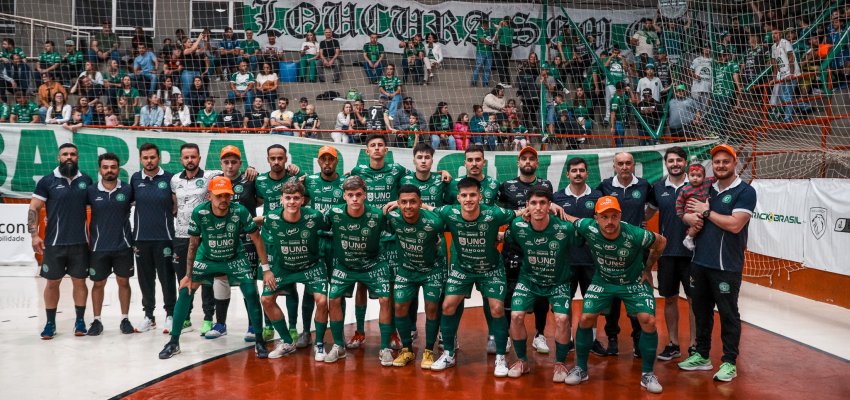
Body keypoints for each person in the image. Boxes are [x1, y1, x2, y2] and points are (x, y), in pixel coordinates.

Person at [158, 176, 271, 359]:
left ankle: (259, 340)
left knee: (251, 292)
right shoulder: (199, 212)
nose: (224, 200)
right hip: (207, 257)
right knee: (186, 291)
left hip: (234, 256)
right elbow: (193, 245)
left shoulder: (240, 211)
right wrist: (188, 275)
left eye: (227, 195)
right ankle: (173, 342)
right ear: (209, 196)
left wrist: (266, 269)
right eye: (219, 196)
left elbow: (257, 239)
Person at [564, 196, 667, 394]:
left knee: (649, 320)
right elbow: (570, 218)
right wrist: (553, 207)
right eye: (604, 217)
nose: (609, 222)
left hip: (633, 282)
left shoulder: (636, 234)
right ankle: (581, 369)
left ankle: (648, 374)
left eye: (614, 216)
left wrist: (648, 269)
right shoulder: (588, 227)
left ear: (620, 216)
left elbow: (661, 242)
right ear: (596, 218)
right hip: (603, 281)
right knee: (585, 318)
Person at [429, 177, 526, 375]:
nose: (468, 199)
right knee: (447, 306)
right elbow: (428, 209)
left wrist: (548, 208)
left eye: (473, 195)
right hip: (463, 268)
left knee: (497, 308)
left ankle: (500, 357)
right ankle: (448, 354)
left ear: (480, 196)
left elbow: (518, 213)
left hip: (490, 268)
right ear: (458, 197)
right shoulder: (450, 211)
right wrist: (399, 202)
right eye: (464, 195)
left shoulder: (494, 213)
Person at [678, 144, 756, 382]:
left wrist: (705, 212)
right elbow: (687, 210)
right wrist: (688, 216)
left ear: (734, 164)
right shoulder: (705, 188)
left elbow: (735, 224)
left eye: (726, 161)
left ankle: (729, 362)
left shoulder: (745, 191)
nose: (721, 165)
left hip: (726, 267)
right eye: (717, 162)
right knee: (701, 312)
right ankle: (702, 355)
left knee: (728, 314)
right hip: (700, 261)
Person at [505, 185, 581, 380]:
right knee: (516, 316)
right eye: (533, 203)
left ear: (550, 205)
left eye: (542, 203)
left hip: (559, 282)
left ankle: (560, 364)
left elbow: (587, 239)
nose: (538, 207)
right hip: (529, 280)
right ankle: (522, 361)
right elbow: (504, 239)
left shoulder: (564, 228)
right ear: (527, 206)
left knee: (562, 319)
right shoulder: (517, 226)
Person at [323, 176, 394, 365]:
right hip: (345, 265)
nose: (355, 199)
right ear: (344, 196)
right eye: (350, 195)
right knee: (333, 298)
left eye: (358, 195)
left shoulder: (378, 215)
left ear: (365, 195)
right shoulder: (334, 213)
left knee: (385, 299)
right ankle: (339, 346)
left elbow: (396, 231)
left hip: (373, 264)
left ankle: (385, 347)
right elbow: (317, 227)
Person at [259, 180, 330, 359]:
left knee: (321, 301)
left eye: (296, 198)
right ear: (281, 200)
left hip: (312, 266)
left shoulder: (314, 217)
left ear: (303, 200)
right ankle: (286, 342)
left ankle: (320, 344)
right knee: (266, 299)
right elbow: (260, 241)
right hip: (284, 268)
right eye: (288, 198)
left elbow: (330, 230)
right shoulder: (272, 219)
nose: (292, 202)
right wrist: (267, 269)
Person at [28, 143, 93, 339]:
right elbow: (34, 208)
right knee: (52, 283)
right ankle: (50, 323)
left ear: (78, 157)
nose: (69, 157)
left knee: (80, 282)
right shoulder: (47, 181)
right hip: (54, 244)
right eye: (65, 154)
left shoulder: (86, 181)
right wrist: (33, 234)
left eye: (73, 154)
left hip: (80, 243)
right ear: (59, 157)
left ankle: (80, 321)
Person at [596, 152, 656, 357]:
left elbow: (653, 206)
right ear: (614, 166)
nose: (624, 167)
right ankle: (612, 338)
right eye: (620, 163)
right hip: (611, 249)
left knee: (635, 292)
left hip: (637, 250)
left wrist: (642, 220)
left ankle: (638, 338)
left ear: (633, 165)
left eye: (628, 163)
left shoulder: (644, 185)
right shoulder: (605, 186)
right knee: (612, 296)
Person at [381, 184, 447, 368]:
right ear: (398, 203)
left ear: (420, 203)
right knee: (400, 306)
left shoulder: (434, 222)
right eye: (403, 202)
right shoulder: (392, 216)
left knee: (431, 307)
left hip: (431, 270)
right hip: (406, 270)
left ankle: (428, 351)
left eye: (413, 202)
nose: (408, 206)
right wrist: (392, 204)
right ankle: (407, 350)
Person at [498, 146, 555, 355]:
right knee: (509, 293)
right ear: (518, 163)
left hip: (539, 248)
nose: (528, 162)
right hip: (513, 248)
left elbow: (551, 213)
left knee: (541, 293)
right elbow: (500, 215)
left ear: (537, 163)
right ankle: (504, 336)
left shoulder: (545, 185)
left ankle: (539, 334)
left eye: (532, 158)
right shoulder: (507, 186)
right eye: (524, 159)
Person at [648, 147, 696, 361]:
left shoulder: (697, 185)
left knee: (695, 300)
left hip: (694, 253)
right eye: (671, 160)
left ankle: (696, 345)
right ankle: (673, 343)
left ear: (685, 162)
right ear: (666, 163)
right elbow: (645, 213)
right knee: (669, 299)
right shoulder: (658, 188)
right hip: (667, 253)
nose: (675, 163)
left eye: (679, 160)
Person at [552, 157, 604, 354]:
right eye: (574, 171)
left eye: (582, 170)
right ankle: (569, 339)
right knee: (565, 303)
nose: (578, 174)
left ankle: (591, 340)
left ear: (587, 173)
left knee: (592, 302)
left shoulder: (597, 196)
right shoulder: (557, 198)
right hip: (566, 261)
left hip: (591, 259)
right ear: (567, 174)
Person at [169, 144, 220, 336]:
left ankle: (208, 318)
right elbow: (175, 206)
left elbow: (233, 171)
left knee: (206, 278)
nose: (190, 160)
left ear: (199, 158)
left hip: (205, 236)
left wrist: (251, 169)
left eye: (193, 157)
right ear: (181, 160)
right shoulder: (175, 180)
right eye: (186, 157)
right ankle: (186, 317)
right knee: (183, 277)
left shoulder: (211, 176)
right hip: (181, 236)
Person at [85, 153, 135, 335]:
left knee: (124, 282)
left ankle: (125, 319)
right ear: (100, 169)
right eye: (105, 167)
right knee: (98, 284)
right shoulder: (91, 191)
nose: (109, 171)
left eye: (113, 167)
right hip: (98, 247)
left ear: (118, 169)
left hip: (123, 246)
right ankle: (97, 321)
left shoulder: (128, 189)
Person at [131, 143, 177, 333]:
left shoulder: (170, 178)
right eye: (145, 158)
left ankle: (170, 315)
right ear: (141, 159)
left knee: (167, 278)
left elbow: (176, 205)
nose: (149, 161)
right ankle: (149, 316)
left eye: (152, 157)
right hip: (141, 239)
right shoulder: (135, 179)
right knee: (145, 279)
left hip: (165, 238)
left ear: (159, 157)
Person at [677, 164, 713, 251]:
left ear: (704, 177)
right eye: (692, 175)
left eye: (699, 176)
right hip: (691, 211)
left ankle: (691, 235)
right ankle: (688, 238)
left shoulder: (707, 182)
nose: (695, 178)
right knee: (698, 224)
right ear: (688, 176)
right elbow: (679, 202)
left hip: (703, 209)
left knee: (701, 225)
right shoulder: (685, 189)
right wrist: (682, 215)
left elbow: (717, 178)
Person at [471, 18, 495, 87]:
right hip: (481, 52)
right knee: (477, 67)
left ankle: (486, 84)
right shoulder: (479, 30)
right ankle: (474, 82)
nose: (486, 24)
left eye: (486, 23)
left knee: (487, 68)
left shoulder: (491, 30)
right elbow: (482, 39)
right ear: (482, 24)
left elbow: (494, 37)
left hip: (489, 52)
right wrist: (491, 43)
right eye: (484, 23)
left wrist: (494, 40)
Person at [493, 16, 514, 87]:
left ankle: (502, 82)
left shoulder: (502, 29)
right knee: (505, 66)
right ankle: (508, 83)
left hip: (503, 48)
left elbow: (496, 39)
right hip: (510, 49)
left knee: (499, 65)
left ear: (504, 21)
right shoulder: (512, 29)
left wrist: (499, 27)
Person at [609, 82, 629, 147]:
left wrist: (630, 91)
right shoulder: (615, 99)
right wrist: (612, 127)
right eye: (624, 89)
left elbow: (633, 100)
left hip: (622, 122)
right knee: (619, 144)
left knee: (621, 143)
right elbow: (612, 113)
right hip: (617, 123)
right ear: (620, 90)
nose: (624, 91)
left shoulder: (623, 96)